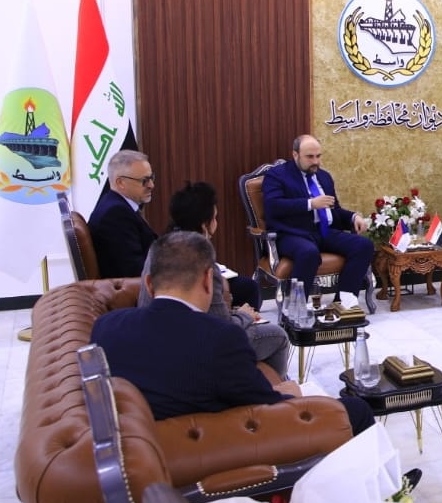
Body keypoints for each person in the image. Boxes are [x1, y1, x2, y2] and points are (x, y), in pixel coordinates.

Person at [93, 232, 373, 433]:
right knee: (357, 409)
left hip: (147, 448)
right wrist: (290, 394)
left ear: (148, 285)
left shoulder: (106, 327)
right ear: (208, 280)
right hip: (222, 450)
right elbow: (268, 408)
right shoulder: (221, 338)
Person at [137, 181, 290, 378]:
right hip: (196, 347)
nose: (217, 222)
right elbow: (220, 328)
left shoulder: (156, 248)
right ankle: (273, 389)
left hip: (154, 337)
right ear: (205, 225)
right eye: (215, 218)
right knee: (278, 336)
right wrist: (244, 315)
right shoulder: (204, 263)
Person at [262, 135, 375, 300]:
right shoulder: (277, 175)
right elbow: (274, 206)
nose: (315, 161)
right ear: (295, 155)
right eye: (309, 157)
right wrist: (310, 204)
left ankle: (344, 304)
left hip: (324, 232)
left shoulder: (324, 177)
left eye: (318, 156)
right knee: (308, 253)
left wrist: (353, 217)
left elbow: (334, 209)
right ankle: (296, 307)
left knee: (364, 245)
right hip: (292, 234)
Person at [88, 150, 158, 279]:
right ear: (120, 183)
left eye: (151, 178)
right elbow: (135, 270)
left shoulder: (115, 205)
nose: (151, 185)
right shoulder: (115, 215)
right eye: (144, 180)